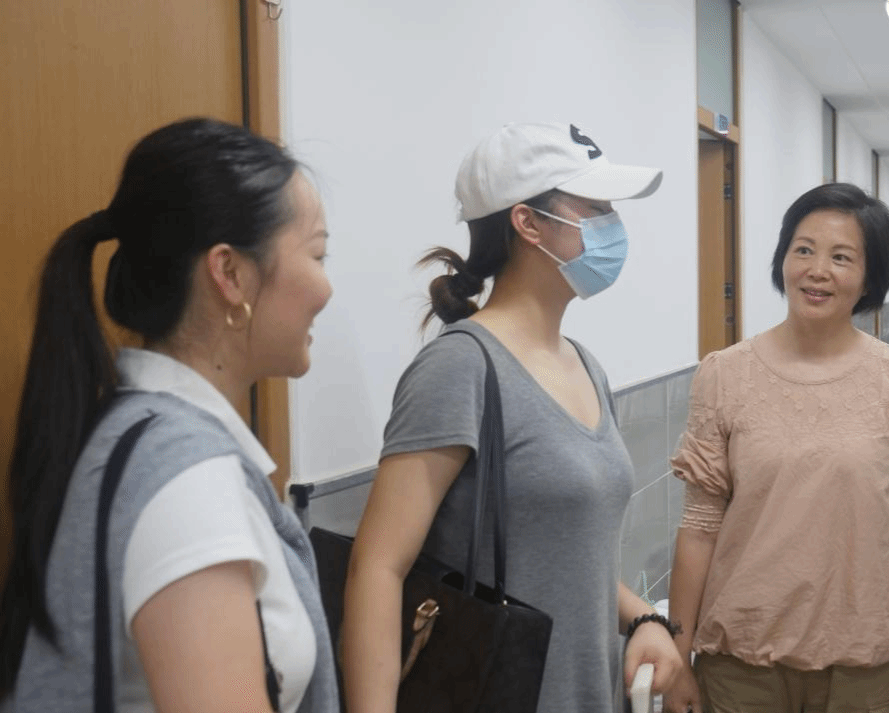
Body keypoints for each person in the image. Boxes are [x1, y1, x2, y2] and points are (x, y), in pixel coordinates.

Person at [340, 122, 685, 713]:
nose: (614, 226)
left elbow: (569, 559)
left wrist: (644, 619)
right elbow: (377, 567)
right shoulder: (460, 368)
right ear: (527, 223)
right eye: (596, 208)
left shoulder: (586, 365)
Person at [0, 118, 337, 712]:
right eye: (317, 254)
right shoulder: (188, 481)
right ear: (229, 274)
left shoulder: (132, 432)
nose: (326, 289)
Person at [664, 183, 889, 713]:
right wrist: (678, 659)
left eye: (842, 257)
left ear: (869, 277)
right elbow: (700, 527)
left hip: (864, 668)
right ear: (782, 259)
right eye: (804, 250)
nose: (818, 270)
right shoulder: (724, 375)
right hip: (740, 662)